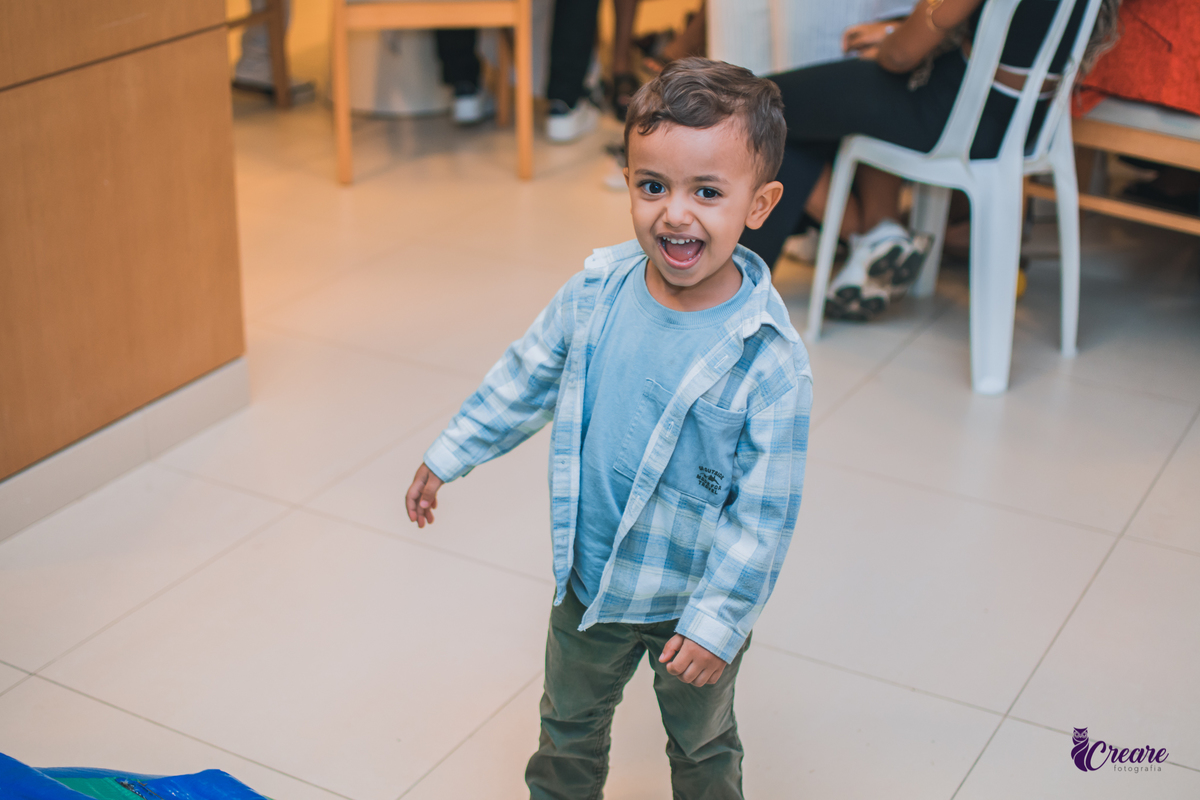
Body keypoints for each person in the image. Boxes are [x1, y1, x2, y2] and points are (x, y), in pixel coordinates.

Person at [405, 59, 812, 800]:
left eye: (707, 192)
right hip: (588, 583)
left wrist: (719, 623)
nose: (674, 214)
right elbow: (525, 375)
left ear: (761, 203)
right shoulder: (597, 290)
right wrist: (450, 453)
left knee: (702, 744)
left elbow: (764, 516)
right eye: (652, 186)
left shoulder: (769, 361)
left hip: (690, 600)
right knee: (566, 732)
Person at [740, 0, 1119, 321]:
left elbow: (901, 56)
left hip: (957, 117)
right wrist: (893, 35)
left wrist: (892, 41)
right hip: (1023, 121)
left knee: (759, 107)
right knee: (829, 111)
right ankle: (876, 236)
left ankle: (860, 237)